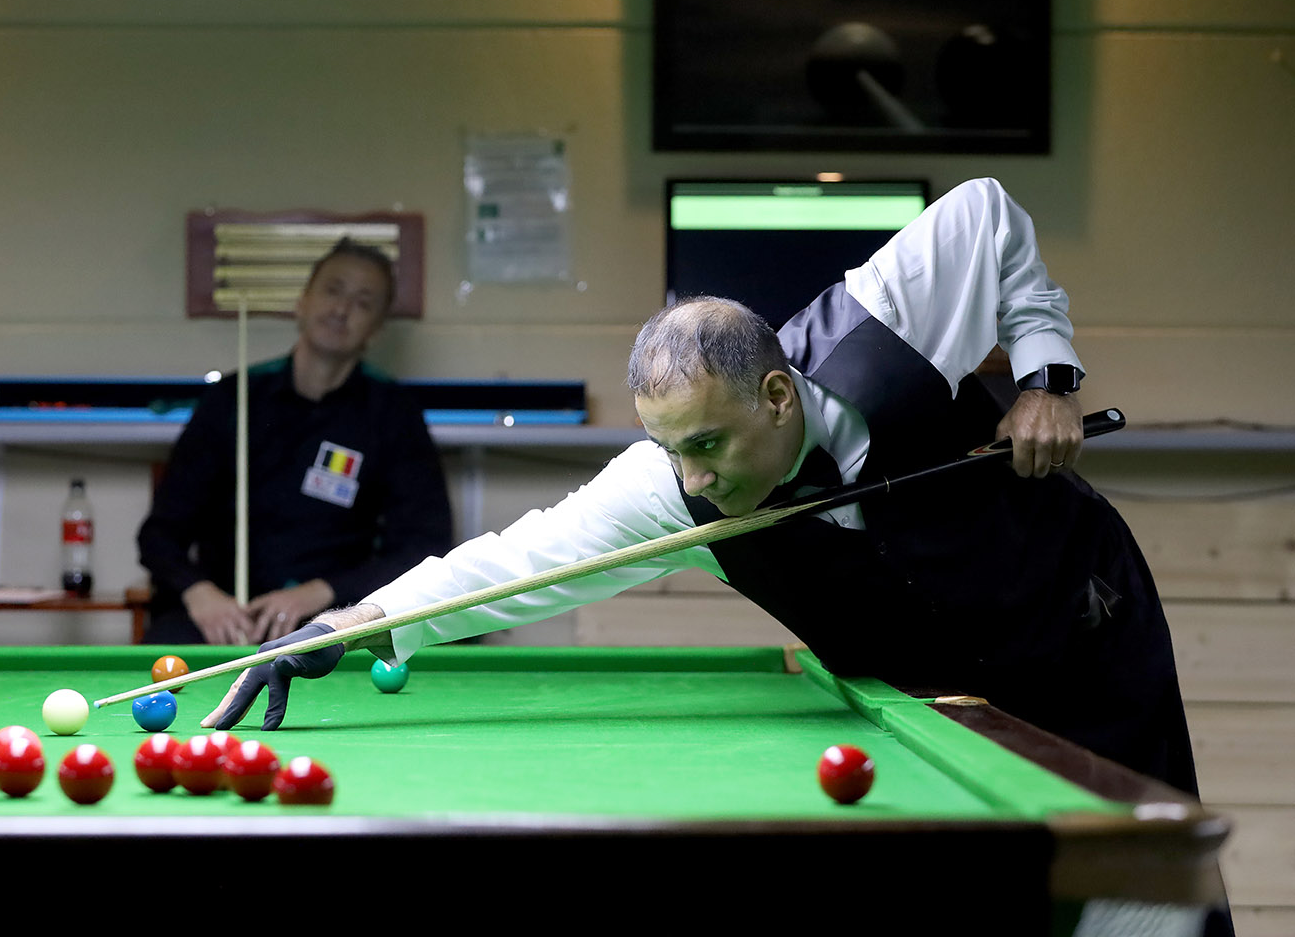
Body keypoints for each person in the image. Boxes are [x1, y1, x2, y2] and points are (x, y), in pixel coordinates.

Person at [203, 178, 1196, 793]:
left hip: (1080, 622)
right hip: (941, 691)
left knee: (1135, 893)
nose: (692, 479)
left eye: (709, 445)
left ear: (775, 394)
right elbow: (517, 559)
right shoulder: (672, 483)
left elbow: (991, 215)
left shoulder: (882, 319)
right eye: (669, 449)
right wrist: (356, 625)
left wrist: (1046, 380)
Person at [137, 237, 454, 645]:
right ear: (302, 302)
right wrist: (200, 594)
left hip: (339, 623)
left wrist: (325, 594)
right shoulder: (233, 399)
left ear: (376, 329)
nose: (341, 310)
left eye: (362, 303)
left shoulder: (393, 413)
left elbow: (424, 547)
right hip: (225, 621)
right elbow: (160, 534)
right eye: (333, 290)